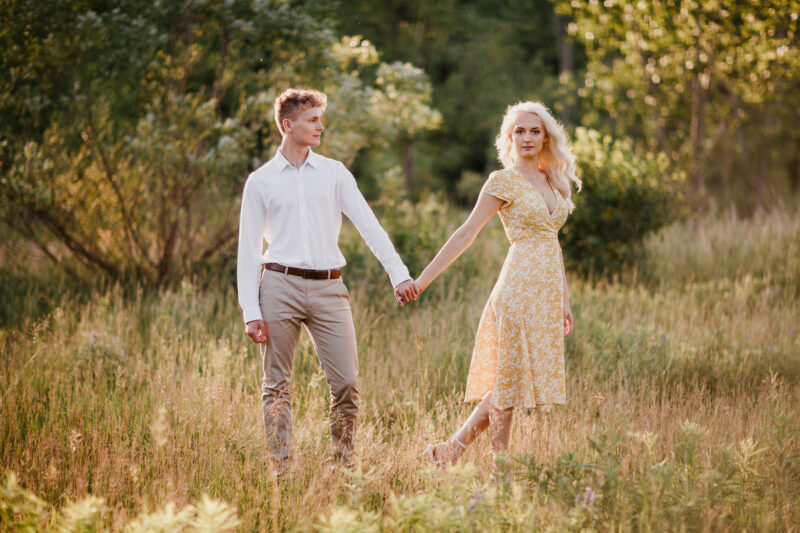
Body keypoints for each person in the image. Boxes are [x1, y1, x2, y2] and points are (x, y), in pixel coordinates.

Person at [237, 88, 418, 475]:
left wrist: (398, 274)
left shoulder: (335, 173)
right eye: (313, 119)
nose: (321, 126)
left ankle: (342, 465)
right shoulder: (261, 181)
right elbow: (248, 251)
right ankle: (282, 471)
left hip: (329, 288)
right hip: (278, 287)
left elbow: (369, 225)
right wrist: (250, 310)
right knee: (277, 386)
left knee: (347, 383)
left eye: (321, 118)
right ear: (288, 125)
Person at [413, 101, 581, 470]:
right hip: (518, 288)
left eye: (534, 130)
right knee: (507, 383)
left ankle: (449, 451)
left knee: (512, 383)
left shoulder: (552, 179)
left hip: (546, 292)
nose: (527, 137)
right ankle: (499, 471)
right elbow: (466, 233)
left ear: (546, 135)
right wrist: (423, 280)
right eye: (518, 131)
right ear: (508, 137)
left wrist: (564, 301)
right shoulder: (502, 181)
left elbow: (553, 243)